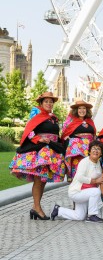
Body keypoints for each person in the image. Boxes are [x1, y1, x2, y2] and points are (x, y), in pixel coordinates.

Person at [9, 92, 65, 220]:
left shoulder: (53, 117)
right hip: (40, 150)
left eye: (51, 102)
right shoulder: (36, 114)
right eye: (46, 101)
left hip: (51, 149)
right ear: (41, 103)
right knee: (39, 179)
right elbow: (29, 130)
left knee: (43, 180)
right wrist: (38, 138)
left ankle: (35, 208)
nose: (49, 104)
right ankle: (37, 208)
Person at [50, 141, 103, 223]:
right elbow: (80, 177)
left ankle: (58, 210)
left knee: (79, 216)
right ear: (89, 151)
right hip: (77, 192)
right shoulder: (85, 162)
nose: (96, 151)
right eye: (93, 148)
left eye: (98, 149)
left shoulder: (98, 163)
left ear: (101, 153)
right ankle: (92, 216)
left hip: (86, 192)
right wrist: (95, 181)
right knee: (96, 191)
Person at [62, 100, 96, 182]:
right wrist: (67, 138)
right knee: (78, 172)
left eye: (84, 108)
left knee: (89, 172)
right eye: (79, 108)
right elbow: (65, 133)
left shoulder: (90, 121)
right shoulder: (70, 121)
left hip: (90, 150)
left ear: (86, 110)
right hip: (77, 152)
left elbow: (94, 134)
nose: (82, 110)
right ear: (76, 110)